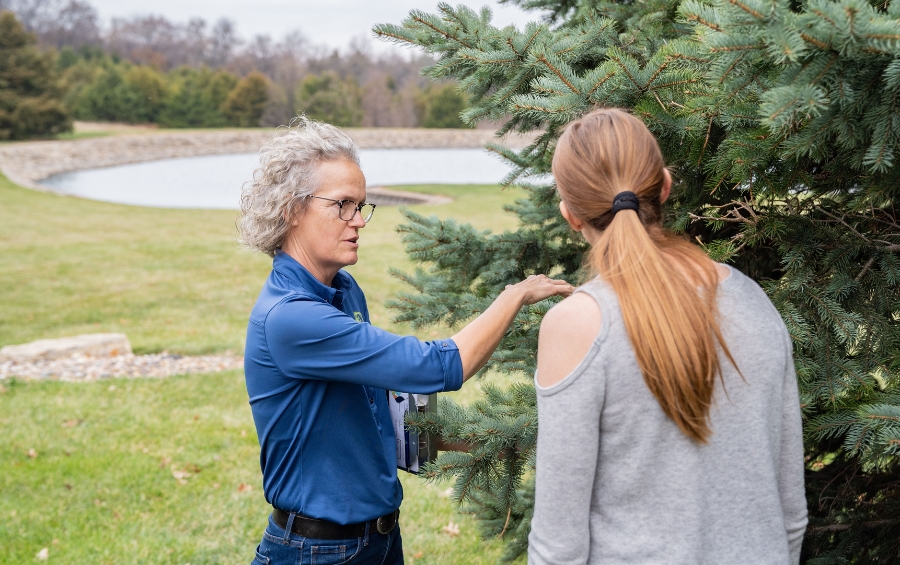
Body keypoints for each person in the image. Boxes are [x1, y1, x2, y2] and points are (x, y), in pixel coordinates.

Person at [238, 116, 572, 565]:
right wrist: (515, 296)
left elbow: (380, 412)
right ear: (292, 210)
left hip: (377, 542)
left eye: (361, 206)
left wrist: (484, 437)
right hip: (316, 551)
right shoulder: (292, 318)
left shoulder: (344, 290)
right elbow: (435, 368)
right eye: (342, 205)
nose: (358, 220)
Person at [528, 108, 807, 564]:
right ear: (664, 186)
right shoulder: (752, 300)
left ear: (570, 213)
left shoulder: (577, 324)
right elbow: (790, 513)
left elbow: (558, 547)